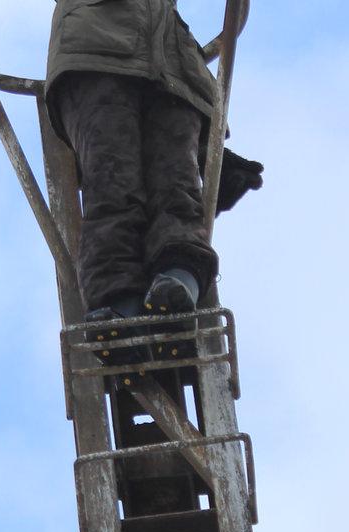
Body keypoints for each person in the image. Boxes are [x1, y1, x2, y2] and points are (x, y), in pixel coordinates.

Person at [45, 0, 263, 360]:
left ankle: (178, 281)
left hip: (172, 63)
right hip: (96, 51)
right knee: (113, 183)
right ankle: (120, 305)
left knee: (176, 184)